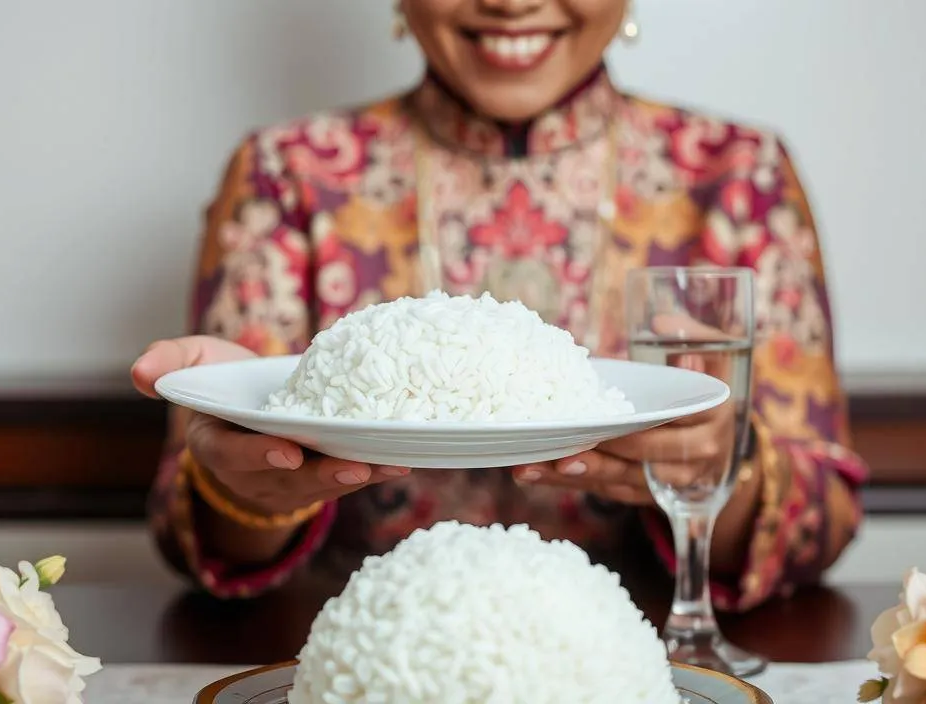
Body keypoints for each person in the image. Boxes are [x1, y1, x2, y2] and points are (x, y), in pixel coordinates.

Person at [131, 0, 868, 611]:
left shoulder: (737, 175)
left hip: (640, 657)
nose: (512, 1)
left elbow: (825, 516)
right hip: (353, 655)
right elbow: (189, 533)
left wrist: (718, 476)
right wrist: (248, 475)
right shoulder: (286, 175)